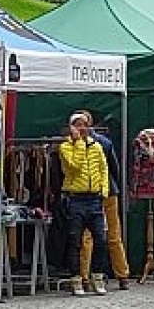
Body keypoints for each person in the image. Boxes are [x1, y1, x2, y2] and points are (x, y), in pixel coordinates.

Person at [58, 112, 110, 295]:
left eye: (84, 125)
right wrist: (78, 143)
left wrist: (103, 191)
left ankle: (98, 276)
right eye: (77, 125)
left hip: (94, 199)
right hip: (76, 199)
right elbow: (74, 166)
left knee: (101, 240)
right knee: (75, 241)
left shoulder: (96, 147)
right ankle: (76, 279)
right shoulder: (65, 147)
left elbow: (104, 169)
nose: (81, 128)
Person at [86, 116, 131, 290]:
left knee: (88, 236)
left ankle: (84, 277)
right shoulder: (105, 142)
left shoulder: (76, 144)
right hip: (109, 191)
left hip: (91, 194)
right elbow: (115, 168)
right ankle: (122, 275)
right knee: (113, 234)